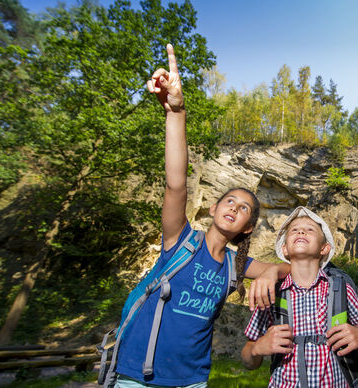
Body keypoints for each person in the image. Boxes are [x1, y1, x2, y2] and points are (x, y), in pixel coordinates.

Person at [113, 44, 289, 388]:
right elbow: (176, 184)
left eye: (244, 209)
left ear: (247, 227)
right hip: (138, 376)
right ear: (213, 208)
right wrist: (176, 113)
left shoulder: (234, 266)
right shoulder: (180, 240)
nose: (234, 208)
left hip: (192, 381)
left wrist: (269, 273)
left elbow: (288, 268)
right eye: (230, 201)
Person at [241, 206, 358, 388]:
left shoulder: (341, 289)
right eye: (294, 230)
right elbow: (248, 358)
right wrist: (258, 348)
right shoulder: (271, 293)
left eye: (309, 229)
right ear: (284, 249)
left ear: (324, 248)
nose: (301, 231)